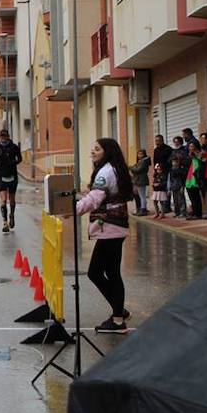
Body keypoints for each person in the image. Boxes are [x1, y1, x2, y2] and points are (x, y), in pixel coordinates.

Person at [64, 138, 132, 334]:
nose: (92, 152)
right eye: (92, 149)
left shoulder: (104, 172)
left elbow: (94, 199)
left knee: (96, 272)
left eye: (97, 149)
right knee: (111, 272)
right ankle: (119, 311)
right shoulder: (116, 168)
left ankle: (118, 319)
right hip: (116, 226)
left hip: (110, 227)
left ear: (107, 151)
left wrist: (70, 210)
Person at [0, 129, 22, 232]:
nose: (3, 138)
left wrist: (13, 162)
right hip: (1, 175)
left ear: (8, 136)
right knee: (3, 200)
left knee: (11, 198)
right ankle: (5, 222)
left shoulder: (14, 147)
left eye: (4, 136)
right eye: (1, 136)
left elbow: (20, 159)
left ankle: (12, 215)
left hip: (12, 175)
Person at [152, 135, 173, 213]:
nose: (156, 142)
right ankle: (163, 207)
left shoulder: (168, 149)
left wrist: (165, 167)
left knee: (166, 189)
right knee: (160, 190)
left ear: (162, 140)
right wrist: (155, 171)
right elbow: (155, 161)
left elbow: (170, 160)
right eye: (156, 141)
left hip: (166, 171)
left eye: (158, 141)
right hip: (159, 172)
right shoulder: (156, 150)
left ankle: (167, 207)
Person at [185, 141, 204, 220]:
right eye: (190, 146)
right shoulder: (189, 155)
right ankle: (194, 211)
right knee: (191, 196)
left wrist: (195, 154)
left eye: (192, 146)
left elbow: (201, 161)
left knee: (196, 196)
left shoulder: (199, 153)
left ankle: (198, 213)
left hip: (196, 176)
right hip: (190, 176)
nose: (191, 148)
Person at [129, 149, 151, 216]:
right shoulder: (140, 161)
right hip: (137, 180)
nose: (139, 155)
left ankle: (143, 209)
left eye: (141, 154)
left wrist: (131, 168)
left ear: (144, 154)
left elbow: (138, 169)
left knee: (142, 196)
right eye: (138, 154)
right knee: (138, 195)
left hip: (141, 180)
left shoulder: (144, 161)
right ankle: (141, 208)